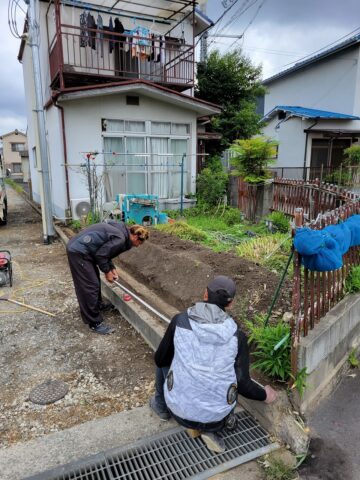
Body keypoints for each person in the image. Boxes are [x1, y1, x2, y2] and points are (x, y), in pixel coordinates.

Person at [149, 275, 277, 453]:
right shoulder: (237, 336)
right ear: (230, 304)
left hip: (178, 410)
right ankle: (212, 431)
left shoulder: (180, 321)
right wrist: (265, 395)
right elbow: (243, 384)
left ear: (205, 295)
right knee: (228, 376)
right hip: (218, 417)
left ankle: (161, 407)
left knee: (163, 359)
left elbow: (160, 360)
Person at [67, 221, 149, 335]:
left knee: (94, 279)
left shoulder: (121, 232)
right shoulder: (120, 238)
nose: (138, 245)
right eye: (140, 242)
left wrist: (112, 268)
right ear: (135, 236)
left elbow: (106, 251)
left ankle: (97, 305)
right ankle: (94, 322)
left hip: (86, 250)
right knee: (90, 285)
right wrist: (107, 272)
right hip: (79, 251)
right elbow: (101, 255)